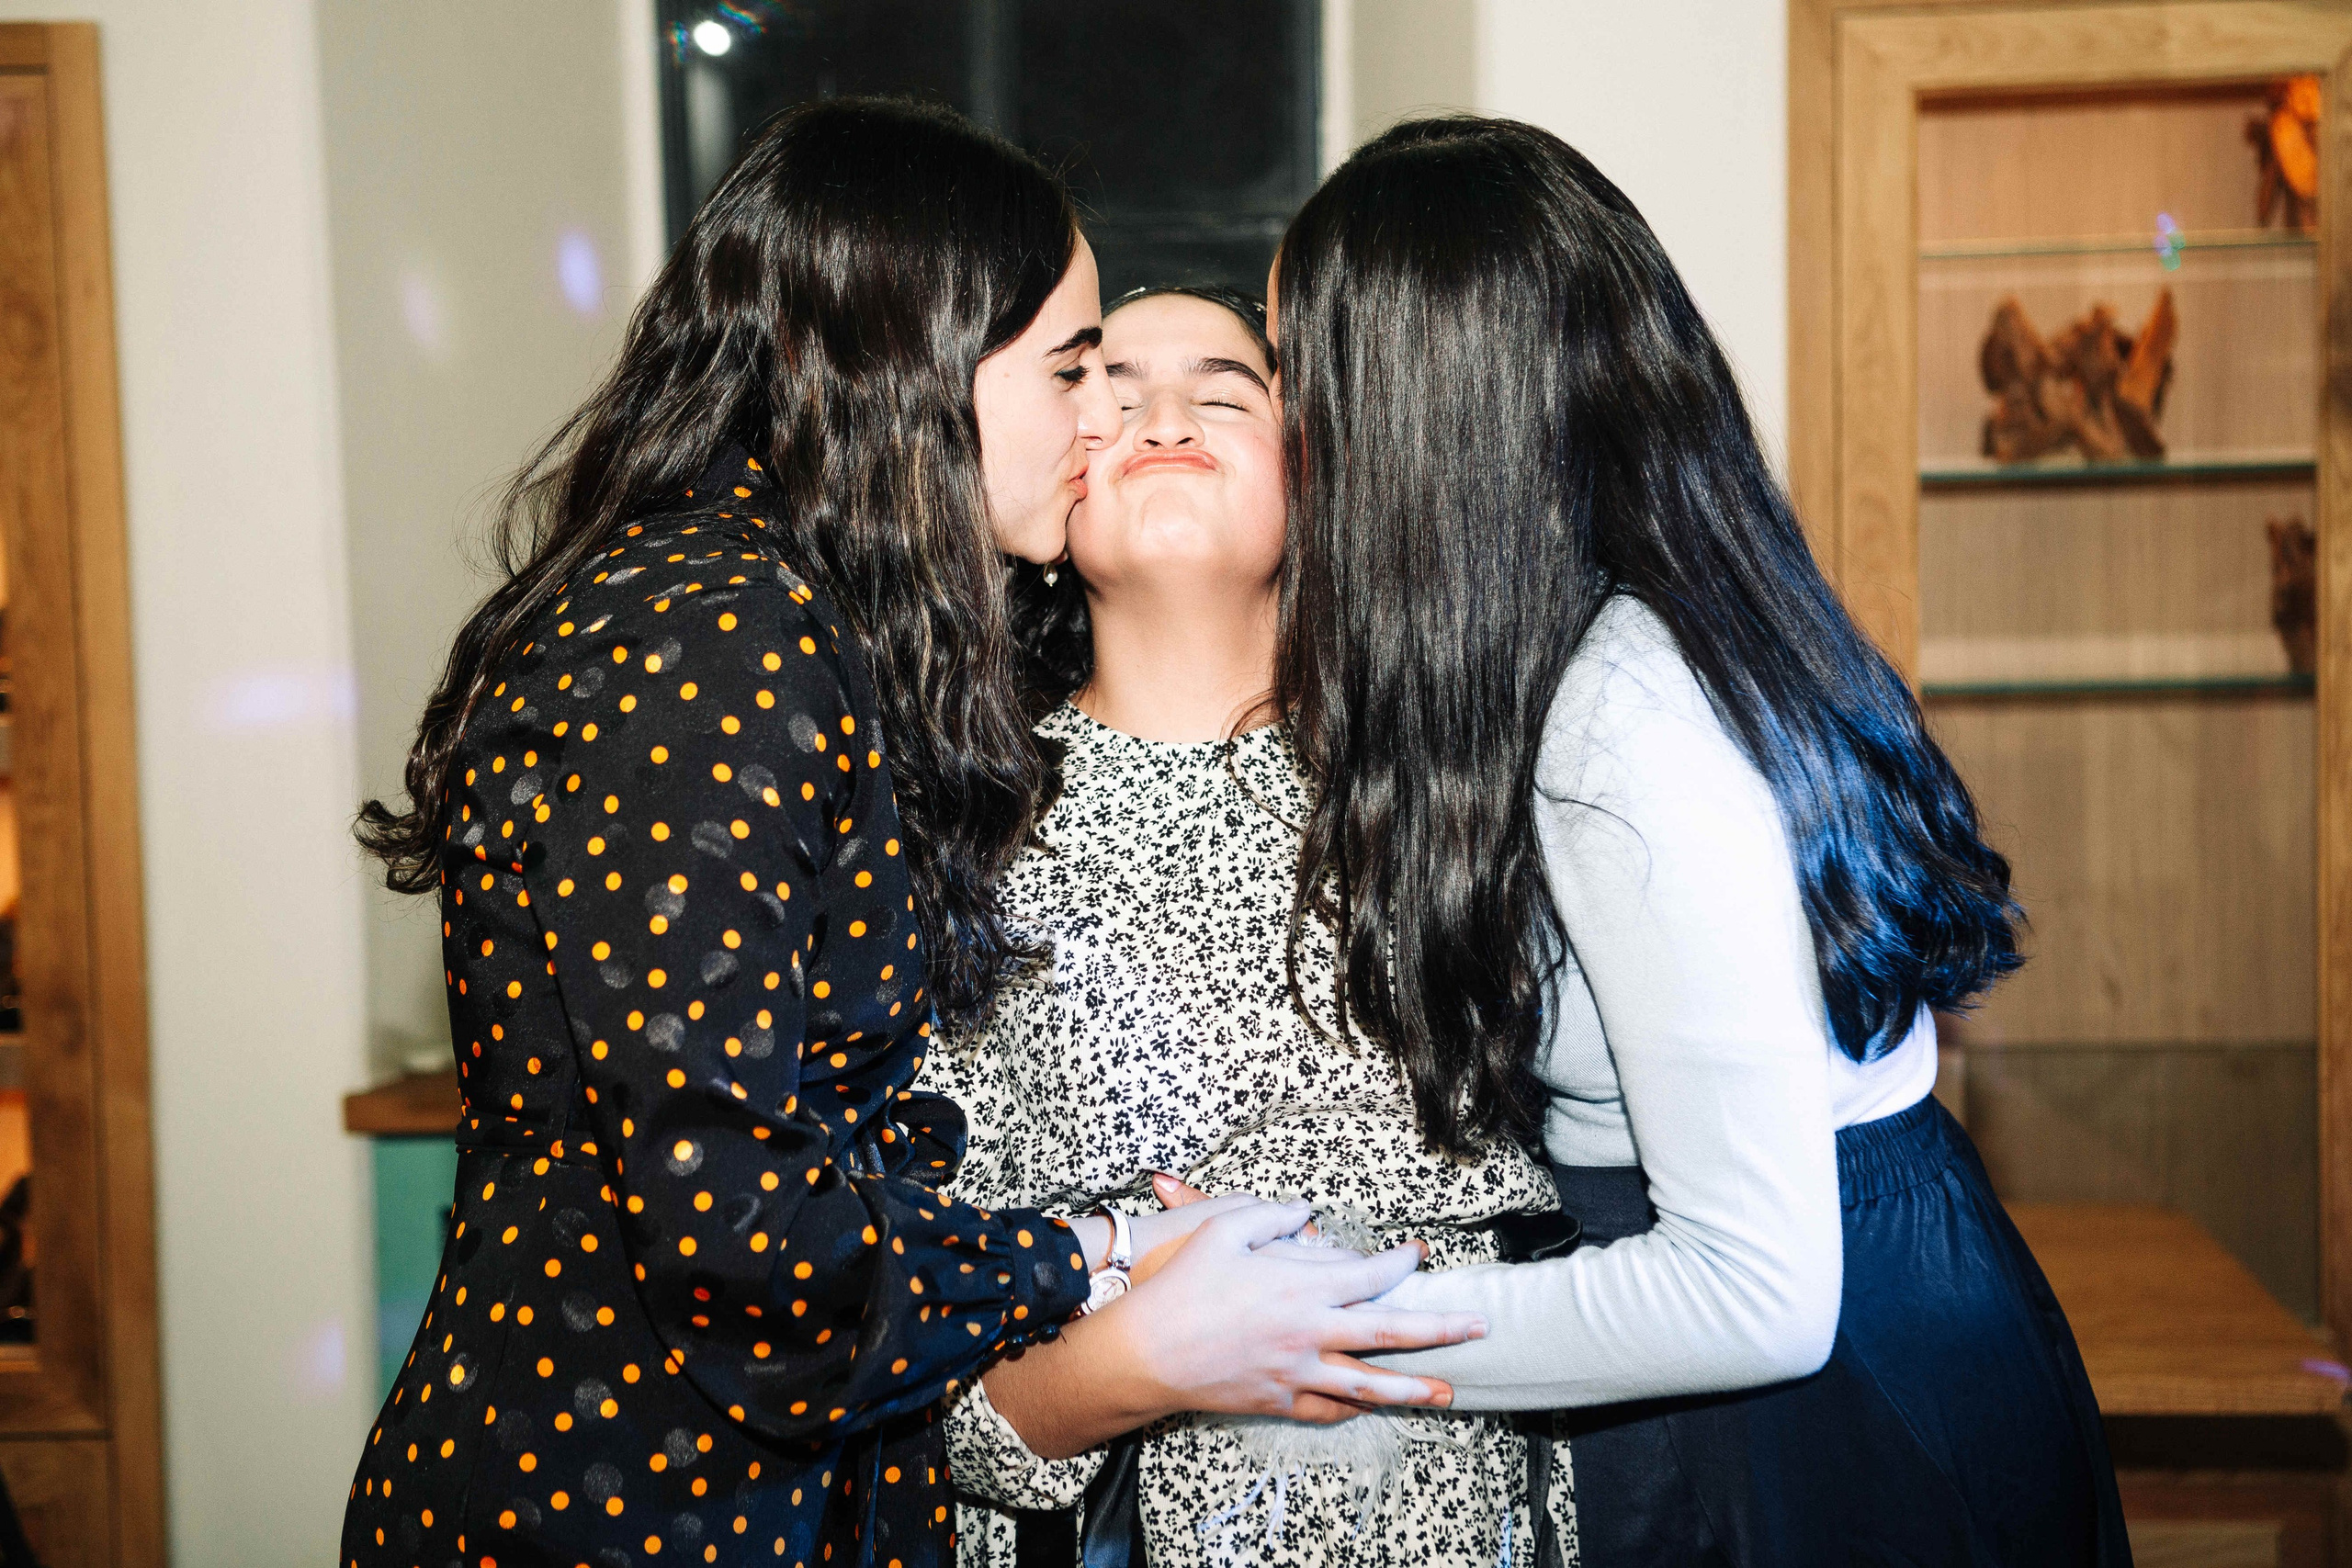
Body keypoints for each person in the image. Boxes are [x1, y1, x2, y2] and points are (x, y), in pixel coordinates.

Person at [338, 100, 1479, 1568]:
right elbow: (745, 1233)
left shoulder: (804, 633)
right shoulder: (710, 638)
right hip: (634, 1514)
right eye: (1075, 367)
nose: (1105, 421)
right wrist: (1101, 1258)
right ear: (907, 355)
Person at [1263, 118, 2133, 1566]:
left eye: (1298, 370)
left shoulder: (1621, 725)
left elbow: (1752, 1292)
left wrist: (1328, 1334)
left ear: (1414, 413)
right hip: (1892, 1314)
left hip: (1828, 1412)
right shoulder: (1665, 626)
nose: (1284, 416)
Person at [919, 286, 1566, 1567]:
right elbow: (918, 1378)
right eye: (1106, 391)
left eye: (1224, 393)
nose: (1162, 418)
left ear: (1318, 482)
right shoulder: (942, 834)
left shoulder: (1461, 798)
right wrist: (1138, 1360)